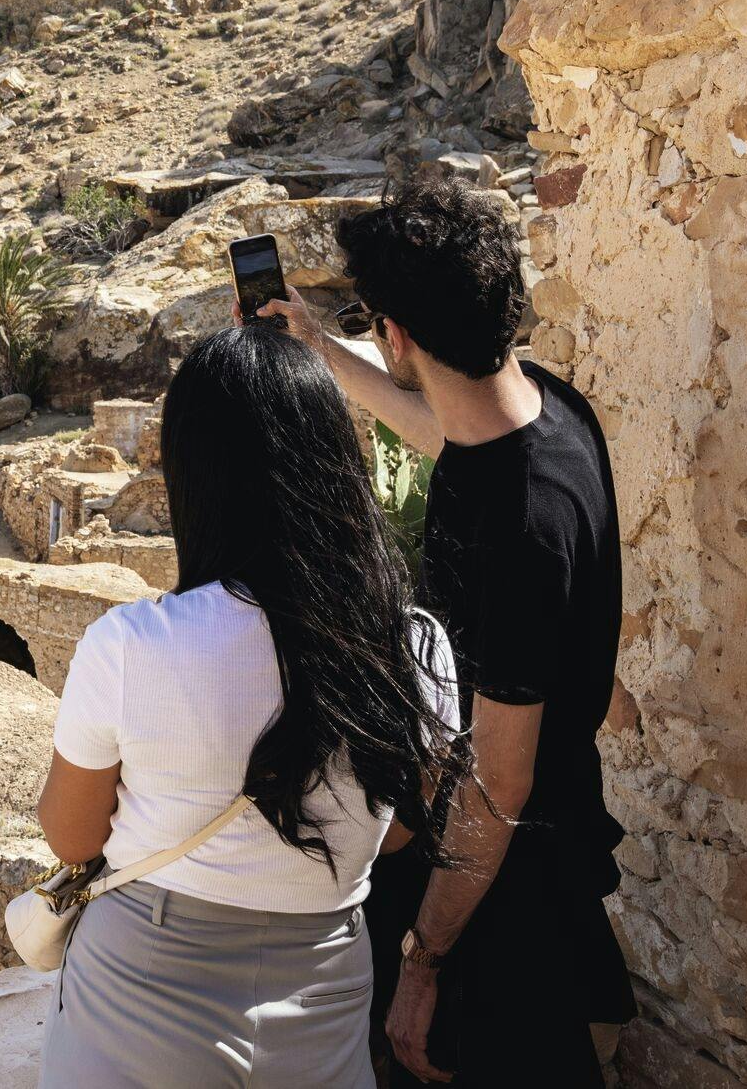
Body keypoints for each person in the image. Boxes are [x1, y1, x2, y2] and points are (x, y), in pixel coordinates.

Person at [261, 176, 634, 1085]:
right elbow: (449, 436)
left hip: (502, 903)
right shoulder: (547, 409)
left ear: (397, 332)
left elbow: (499, 781)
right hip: (548, 854)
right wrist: (321, 345)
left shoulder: (518, 531)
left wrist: (423, 960)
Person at [37, 324, 463, 1089]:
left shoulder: (133, 643)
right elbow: (397, 835)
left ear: (193, 476)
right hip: (325, 991)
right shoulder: (419, 648)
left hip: (145, 990)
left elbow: (71, 832)